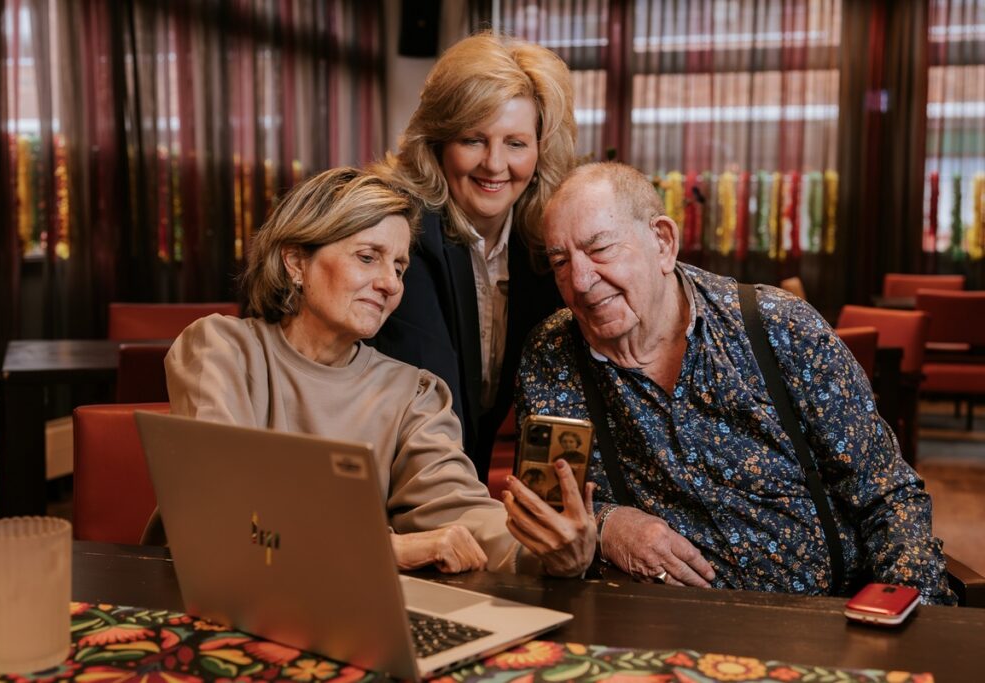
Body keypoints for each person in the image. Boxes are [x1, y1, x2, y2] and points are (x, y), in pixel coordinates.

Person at [515, 162, 956, 604]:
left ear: (663, 242)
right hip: (663, 635)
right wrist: (607, 524)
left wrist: (901, 618)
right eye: (559, 262)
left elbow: (888, 496)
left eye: (600, 250)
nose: (581, 281)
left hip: (832, 620)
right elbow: (547, 511)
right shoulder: (553, 357)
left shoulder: (780, 329)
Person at [164, 167, 595, 578]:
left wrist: (545, 546)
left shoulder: (414, 392)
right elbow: (226, 517)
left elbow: (461, 511)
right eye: (368, 257)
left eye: (399, 267)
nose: (390, 283)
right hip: (209, 599)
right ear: (295, 261)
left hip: (347, 611)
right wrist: (389, 549)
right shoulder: (222, 350)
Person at [369, 32, 575, 482]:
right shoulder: (398, 230)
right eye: (473, 139)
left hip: (464, 487)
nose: (495, 164)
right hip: (385, 482)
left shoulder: (543, 247)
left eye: (516, 143)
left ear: (541, 150)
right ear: (438, 142)